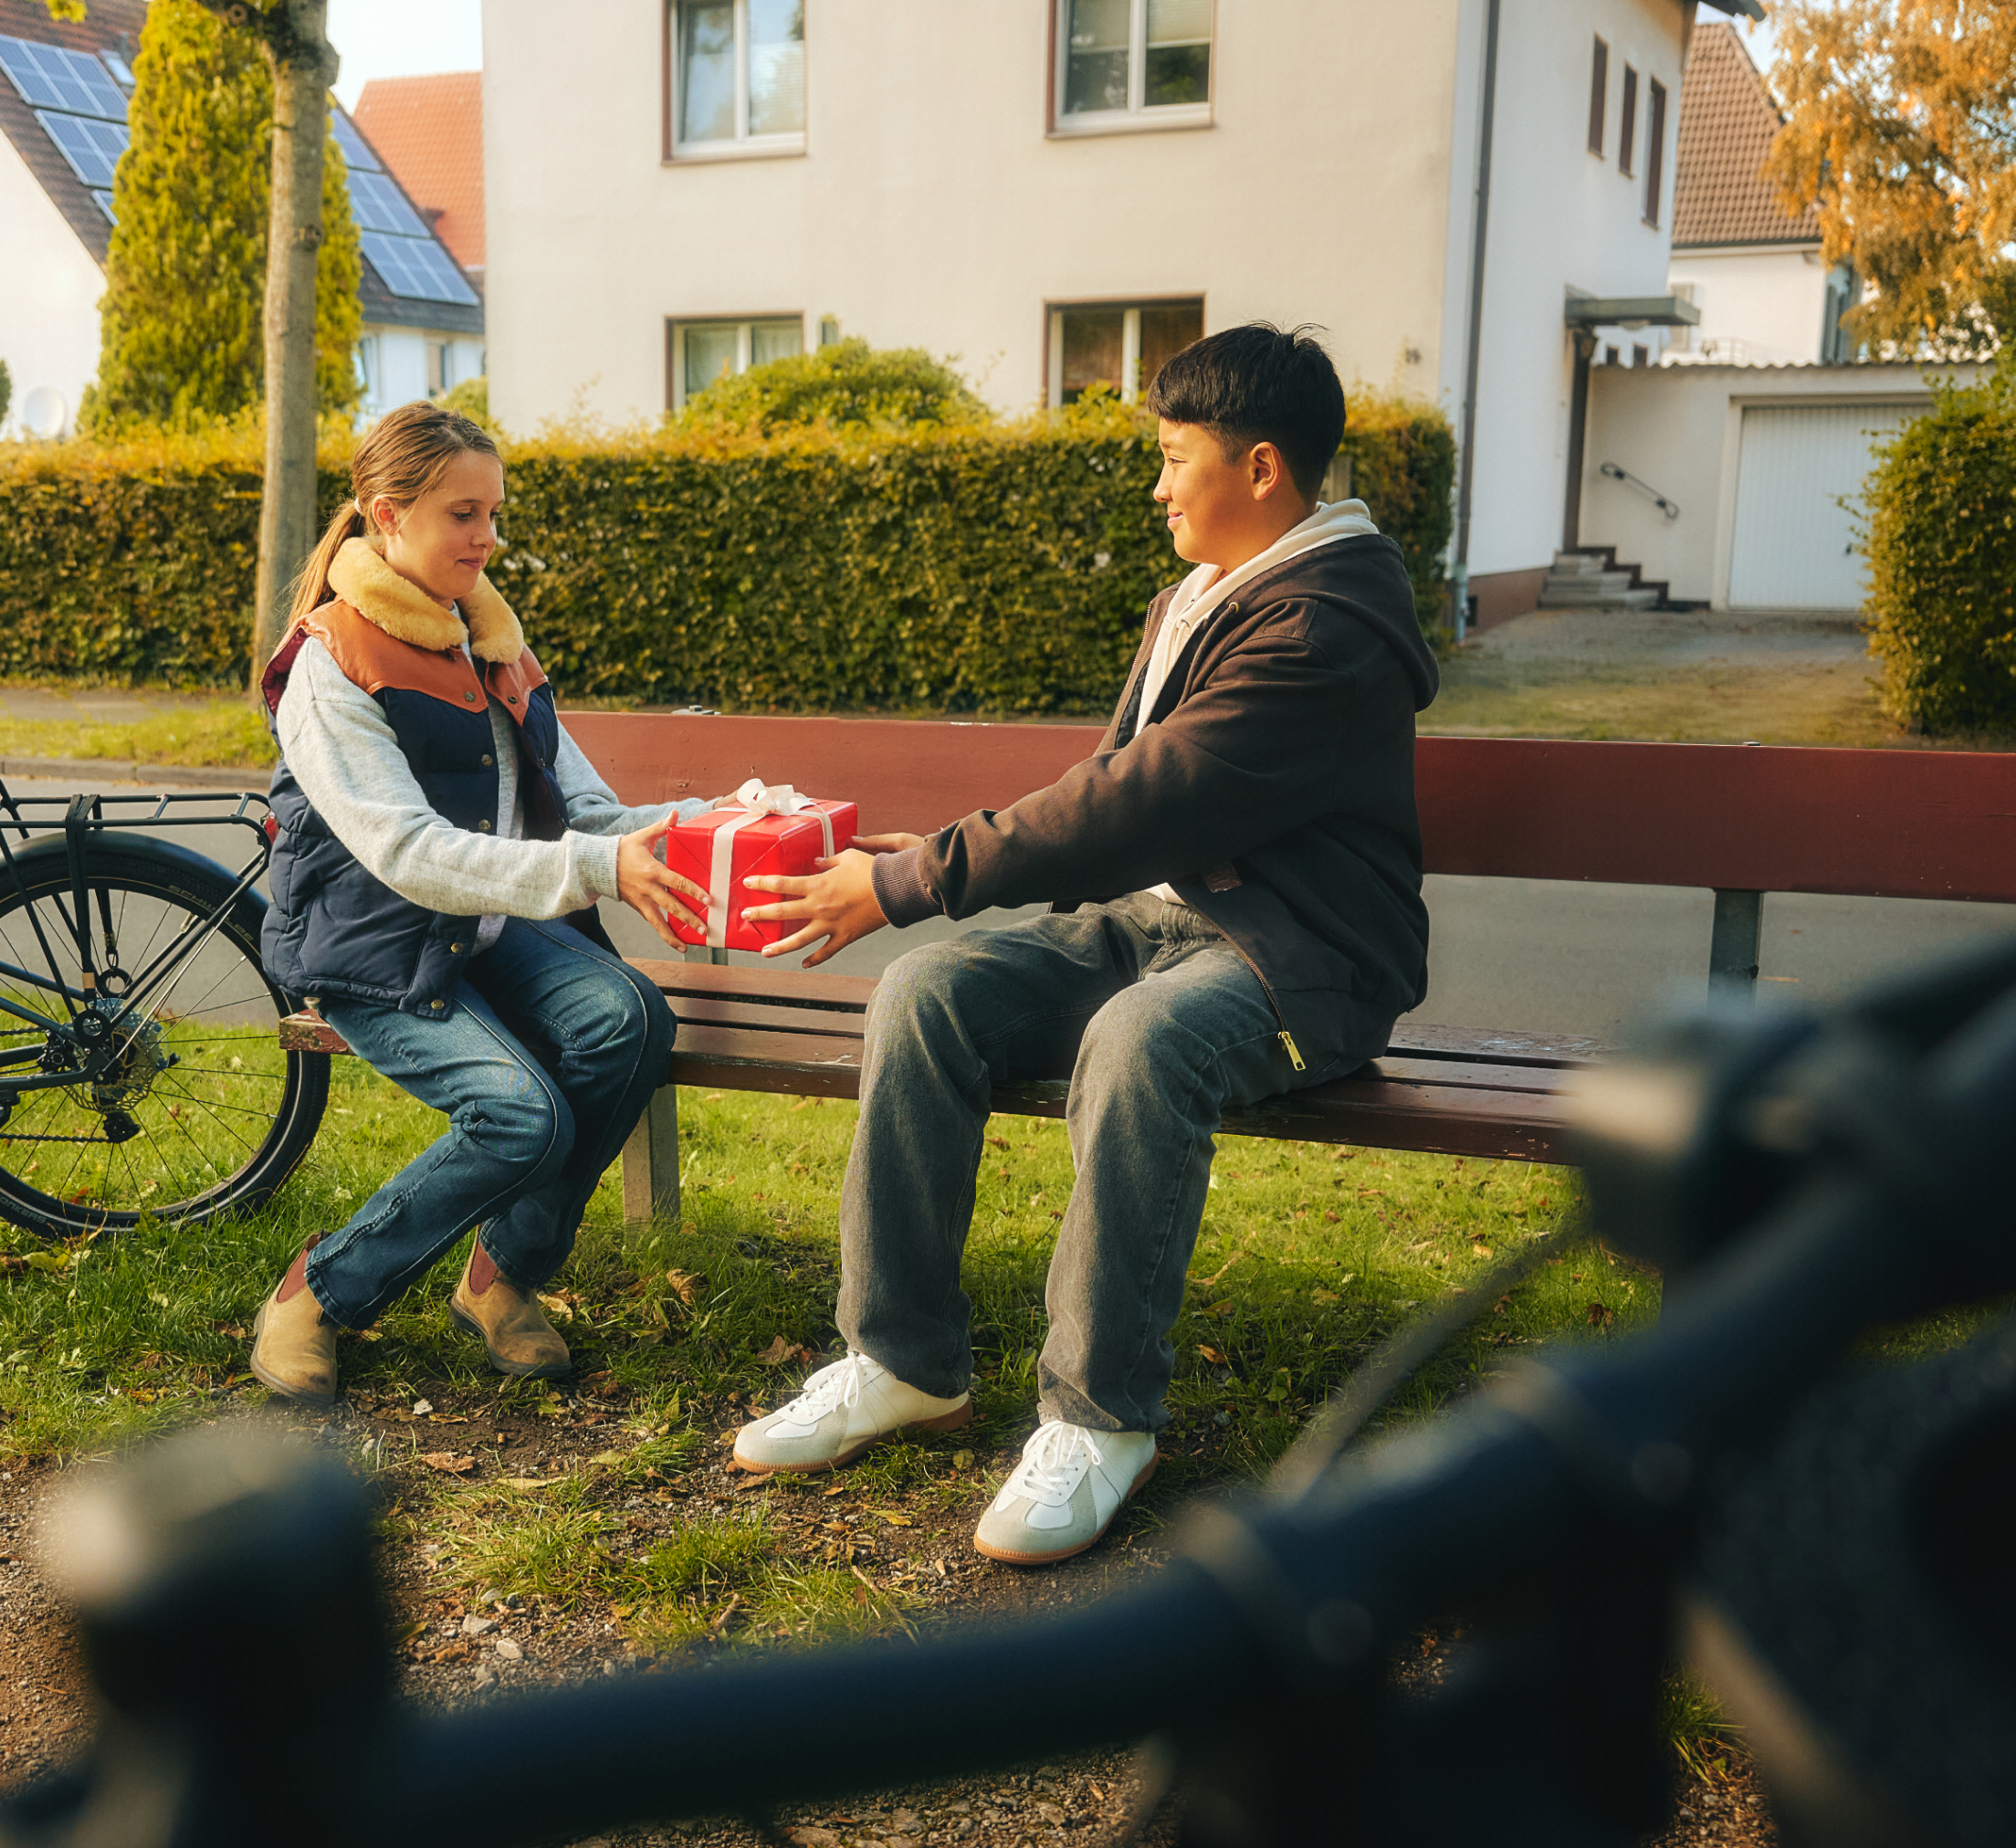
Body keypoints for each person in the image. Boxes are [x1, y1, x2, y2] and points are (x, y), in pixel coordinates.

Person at [723, 323, 1437, 1563]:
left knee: (1139, 1041)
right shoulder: (1201, 597)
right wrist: (930, 857)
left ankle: (1102, 1417)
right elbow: (1120, 786)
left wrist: (904, 879)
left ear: (1260, 469)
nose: (1160, 485)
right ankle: (900, 1359)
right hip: (1145, 922)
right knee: (928, 993)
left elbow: (1144, 799)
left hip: (1298, 955)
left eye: (1174, 457)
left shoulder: (1322, 628)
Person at [246, 401, 715, 1408]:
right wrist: (595, 871)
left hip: (489, 926)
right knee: (520, 1118)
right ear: (387, 515)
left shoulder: (486, 638)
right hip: (372, 946)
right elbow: (406, 854)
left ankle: (502, 1280)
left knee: (628, 1023)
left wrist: (743, 817)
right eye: (464, 514)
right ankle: (320, 1291)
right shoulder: (329, 663)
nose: (488, 537)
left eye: (493, 513)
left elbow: (588, 807)